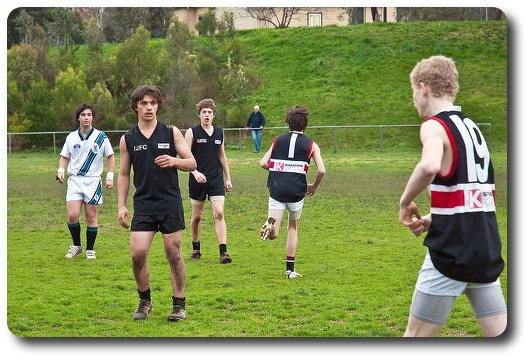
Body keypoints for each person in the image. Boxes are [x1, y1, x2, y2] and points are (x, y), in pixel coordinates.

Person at [399, 55, 507, 337]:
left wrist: (405, 200)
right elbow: (476, 196)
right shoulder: (473, 129)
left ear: (422, 88)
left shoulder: (435, 126)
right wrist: (435, 218)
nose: (414, 99)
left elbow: (430, 166)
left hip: (451, 255)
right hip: (484, 251)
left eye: (413, 91)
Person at [117, 85, 196, 321]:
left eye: (152, 103)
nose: (149, 107)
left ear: (158, 106)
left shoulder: (171, 132)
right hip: (143, 205)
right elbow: (123, 175)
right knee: (137, 254)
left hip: (170, 202)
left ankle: (179, 305)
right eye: (143, 103)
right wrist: (121, 205)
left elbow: (191, 163)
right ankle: (144, 301)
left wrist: (174, 161)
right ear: (136, 107)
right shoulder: (127, 139)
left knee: (174, 253)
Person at [259, 105, 326, 279]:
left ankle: (270, 225)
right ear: (305, 125)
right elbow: (321, 171)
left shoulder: (277, 140)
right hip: (297, 191)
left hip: (277, 188)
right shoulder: (312, 145)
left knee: (274, 233)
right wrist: (314, 187)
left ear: (288, 123)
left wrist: (279, 171)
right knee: (292, 227)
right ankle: (290, 270)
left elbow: (263, 163)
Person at [57, 103, 115, 260]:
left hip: (93, 182)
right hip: (75, 180)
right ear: (78, 118)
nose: (86, 117)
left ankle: (90, 250)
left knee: (91, 216)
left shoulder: (101, 137)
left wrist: (109, 177)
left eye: (89, 115)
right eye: (83, 115)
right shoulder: (71, 137)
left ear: (93, 118)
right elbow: (64, 156)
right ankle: (76, 246)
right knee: (72, 215)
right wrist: (61, 171)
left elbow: (110, 156)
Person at [185, 99, 233, 264]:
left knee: (219, 213)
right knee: (197, 217)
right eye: (204, 112)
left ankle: (223, 252)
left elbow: (222, 156)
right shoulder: (192, 132)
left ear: (213, 115)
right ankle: (196, 248)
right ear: (199, 114)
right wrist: (195, 172)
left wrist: (228, 178)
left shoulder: (220, 132)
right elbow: (186, 157)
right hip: (197, 179)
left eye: (209, 112)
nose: (206, 115)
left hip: (215, 179)